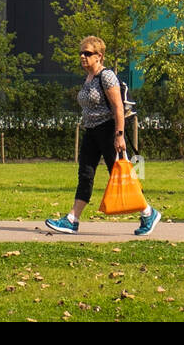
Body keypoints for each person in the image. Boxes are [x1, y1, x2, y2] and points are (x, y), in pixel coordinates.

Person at [45, 35, 162, 236]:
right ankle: (72, 220)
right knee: (85, 174)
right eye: (81, 53)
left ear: (99, 56)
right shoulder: (88, 78)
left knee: (120, 175)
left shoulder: (106, 76)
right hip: (91, 132)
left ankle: (148, 212)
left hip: (109, 131)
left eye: (88, 53)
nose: (83, 56)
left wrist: (119, 135)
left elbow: (117, 108)